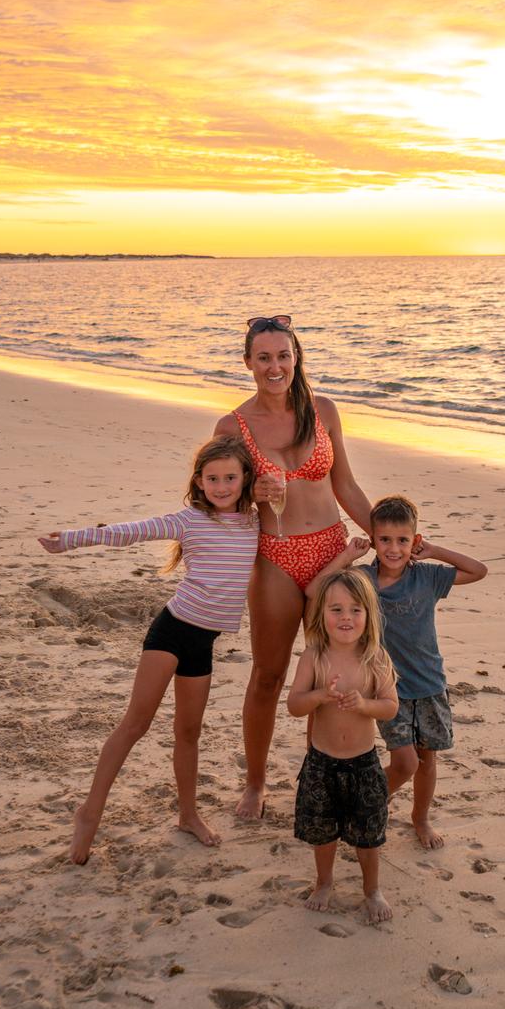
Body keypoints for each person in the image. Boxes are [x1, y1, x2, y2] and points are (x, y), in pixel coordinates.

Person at [37, 436, 258, 863]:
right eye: (212, 478)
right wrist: (69, 539)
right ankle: (89, 813)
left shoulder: (255, 522)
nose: (222, 485)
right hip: (172, 631)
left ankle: (188, 815)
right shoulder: (190, 520)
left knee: (188, 733)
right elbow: (131, 533)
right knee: (136, 724)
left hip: (204, 643)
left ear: (245, 478)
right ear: (199, 481)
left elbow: (292, 520)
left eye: (230, 477)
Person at [214, 314, 372, 820]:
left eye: (283, 355)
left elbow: (345, 485)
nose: (274, 366)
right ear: (248, 363)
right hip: (275, 557)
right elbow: (219, 499)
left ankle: (317, 775)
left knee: (327, 675)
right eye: (264, 358)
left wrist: (394, 538)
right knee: (268, 674)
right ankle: (256, 784)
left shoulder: (323, 410)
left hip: (332, 550)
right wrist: (250, 493)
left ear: (296, 356)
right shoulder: (232, 426)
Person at [305, 495, 487, 850]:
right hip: (388, 690)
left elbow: (478, 570)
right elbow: (315, 590)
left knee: (427, 759)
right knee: (405, 762)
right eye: (385, 539)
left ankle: (420, 818)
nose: (393, 548)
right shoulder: (362, 579)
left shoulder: (428, 577)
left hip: (430, 685)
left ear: (414, 542)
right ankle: (364, 803)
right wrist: (347, 557)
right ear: (373, 540)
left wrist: (435, 551)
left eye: (403, 540)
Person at [287, 570, 398, 923]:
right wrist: (320, 695)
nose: (346, 618)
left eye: (355, 610)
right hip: (322, 764)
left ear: (368, 614)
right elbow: (294, 705)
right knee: (323, 831)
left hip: (364, 764)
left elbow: (390, 706)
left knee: (368, 834)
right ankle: (324, 882)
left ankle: (372, 890)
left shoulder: (375, 657)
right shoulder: (314, 657)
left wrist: (364, 705)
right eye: (336, 610)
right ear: (321, 614)